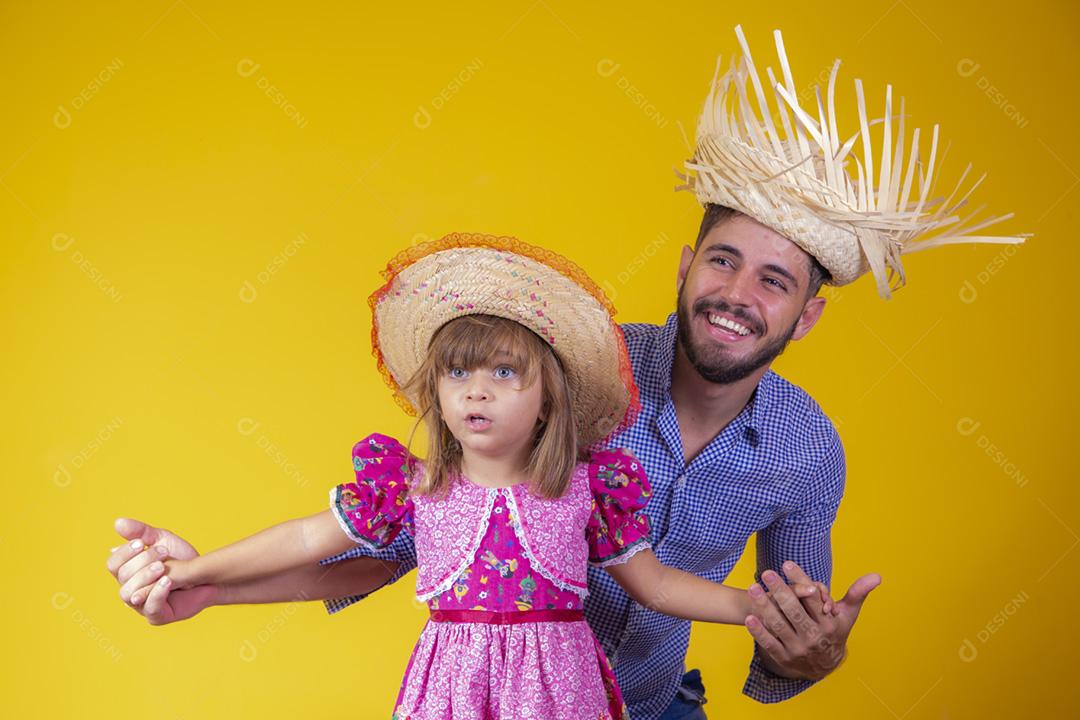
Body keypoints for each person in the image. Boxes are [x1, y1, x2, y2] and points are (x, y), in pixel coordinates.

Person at [108, 24, 1027, 719]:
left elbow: (778, 644)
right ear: (684, 265)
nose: (736, 294)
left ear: (808, 313)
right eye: (721, 261)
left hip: (655, 705)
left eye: (775, 279)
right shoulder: (562, 375)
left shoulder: (805, 450)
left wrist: (808, 654)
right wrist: (210, 586)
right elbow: (402, 544)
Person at [114, 235, 827, 720]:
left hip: (572, 698)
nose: (476, 392)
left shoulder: (587, 488)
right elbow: (312, 541)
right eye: (457, 373)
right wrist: (200, 576)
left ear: (548, 395)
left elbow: (658, 585)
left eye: (503, 373)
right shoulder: (414, 489)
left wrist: (765, 609)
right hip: (454, 698)